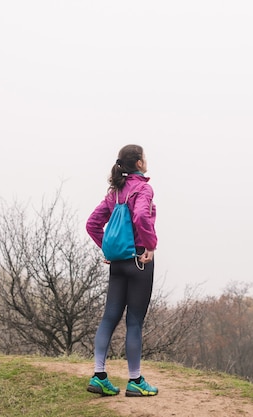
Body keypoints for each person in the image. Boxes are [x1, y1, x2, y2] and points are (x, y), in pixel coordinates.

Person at [85, 144, 159, 397]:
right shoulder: (143, 188)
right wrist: (150, 245)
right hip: (139, 261)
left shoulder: (114, 192)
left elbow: (92, 224)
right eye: (144, 158)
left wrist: (108, 250)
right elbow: (140, 216)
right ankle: (135, 381)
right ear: (138, 163)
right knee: (134, 322)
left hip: (117, 264)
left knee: (109, 317)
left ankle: (99, 377)